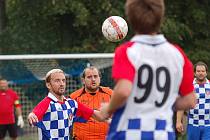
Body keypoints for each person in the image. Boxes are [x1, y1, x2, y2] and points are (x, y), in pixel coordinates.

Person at [100, 0, 197, 140]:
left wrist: (108, 109)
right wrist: (162, 101)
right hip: (163, 133)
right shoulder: (177, 54)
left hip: (128, 132)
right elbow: (190, 101)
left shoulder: (127, 51)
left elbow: (123, 91)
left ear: (130, 19)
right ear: (161, 18)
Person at [27, 69, 107, 140]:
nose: (61, 84)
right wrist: (31, 115)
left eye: (63, 80)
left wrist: (111, 118)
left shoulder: (72, 104)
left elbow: (95, 115)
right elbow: (34, 114)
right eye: (57, 81)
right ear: (48, 85)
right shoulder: (47, 103)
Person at [69, 66, 113, 140]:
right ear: (83, 80)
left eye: (95, 76)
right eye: (89, 77)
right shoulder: (74, 97)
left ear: (99, 78)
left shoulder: (110, 94)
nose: (93, 79)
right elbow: (68, 121)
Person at [176, 61, 210, 140]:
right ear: (194, 73)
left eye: (202, 71)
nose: (200, 73)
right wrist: (178, 122)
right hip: (193, 125)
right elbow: (182, 105)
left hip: (208, 126)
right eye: (198, 71)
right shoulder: (189, 86)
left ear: (206, 73)